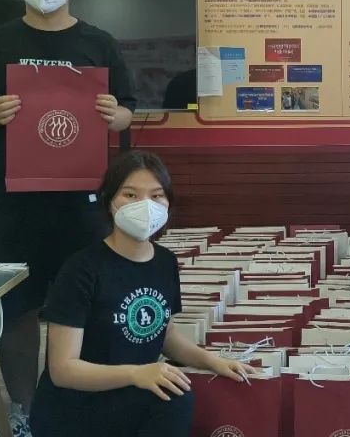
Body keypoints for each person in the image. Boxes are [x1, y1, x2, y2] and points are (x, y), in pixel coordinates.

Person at [0, 0, 137, 436]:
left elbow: (127, 110)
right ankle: (24, 411)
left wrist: (114, 113)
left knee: (89, 302)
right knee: (18, 306)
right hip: (12, 200)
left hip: (82, 198)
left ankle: (85, 402)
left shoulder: (98, 43)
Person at [29, 150, 255, 437]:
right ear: (109, 201)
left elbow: (166, 337)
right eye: (130, 195)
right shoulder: (81, 269)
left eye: (156, 195)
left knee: (176, 392)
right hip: (75, 406)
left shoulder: (165, 262)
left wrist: (214, 361)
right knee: (173, 400)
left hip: (128, 394)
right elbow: (64, 370)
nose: (145, 205)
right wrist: (136, 373)